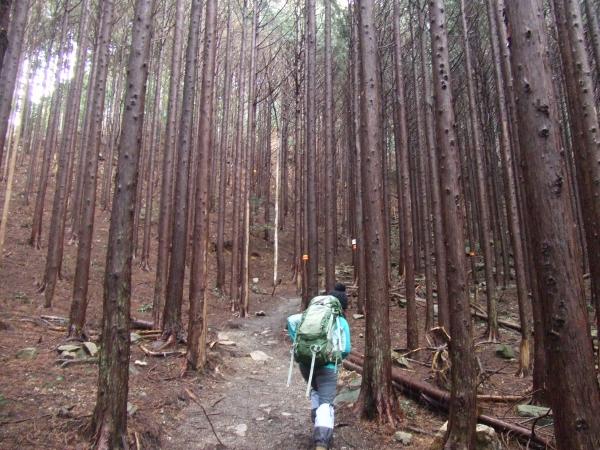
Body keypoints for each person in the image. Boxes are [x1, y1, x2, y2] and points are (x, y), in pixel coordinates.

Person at [287, 285, 351, 450]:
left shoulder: (311, 316)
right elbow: (346, 349)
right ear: (342, 307)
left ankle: (316, 421)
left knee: (316, 389)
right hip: (327, 367)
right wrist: (334, 356)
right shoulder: (341, 321)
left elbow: (291, 321)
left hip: (305, 364)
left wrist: (299, 343)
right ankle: (321, 443)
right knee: (326, 403)